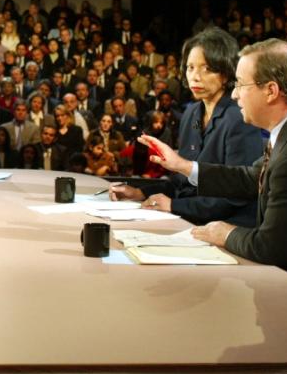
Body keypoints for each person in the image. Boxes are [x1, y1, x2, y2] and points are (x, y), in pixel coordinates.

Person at [137, 39, 287, 310]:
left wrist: (224, 233)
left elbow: (271, 248)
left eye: (240, 84)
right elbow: (253, 178)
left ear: (271, 91)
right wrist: (183, 166)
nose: (235, 94)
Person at [112, 28, 263, 227]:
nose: (195, 76)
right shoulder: (191, 113)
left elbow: (235, 195)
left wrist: (174, 206)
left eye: (206, 68)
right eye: (190, 67)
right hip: (190, 219)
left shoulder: (239, 117)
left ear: (226, 74)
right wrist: (139, 192)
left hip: (228, 227)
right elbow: (182, 181)